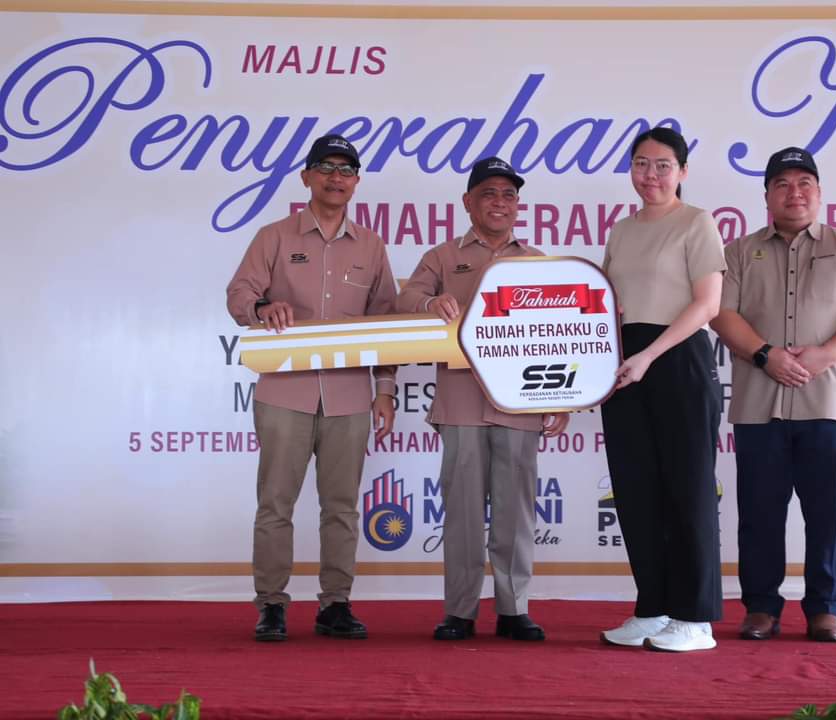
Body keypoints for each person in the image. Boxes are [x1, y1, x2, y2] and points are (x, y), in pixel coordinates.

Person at [710, 146, 836, 643]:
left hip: (828, 401)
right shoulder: (738, 252)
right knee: (759, 514)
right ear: (767, 196)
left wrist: (824, 355)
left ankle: (825, 609)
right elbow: (721, 313)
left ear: (818, 193)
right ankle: (761, 608)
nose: (794, 193)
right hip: (759, 403)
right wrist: (765, 354)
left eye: (804, 184)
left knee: (829, 514)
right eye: (782, 184)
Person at [226, 134, 398, 642]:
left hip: (349, 397)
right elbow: (239, 293)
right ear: (306, 177)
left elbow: (387, 323)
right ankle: (271, 605)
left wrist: (385, 389)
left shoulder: (371, 246)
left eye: (346, 170)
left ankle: (335, 604)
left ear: (356, 182)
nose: (335, 177)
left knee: (341, 507)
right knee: (275, 505)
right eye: (326, 167)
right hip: (285, 393)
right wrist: (261, 308)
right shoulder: (274, 237)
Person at [397, 157, 569, 642]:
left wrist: (561, 397)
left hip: (521, 402)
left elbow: (559, 333)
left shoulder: (536, 261)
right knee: (463, 513)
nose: (500, 202)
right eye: (489, 193)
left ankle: (514, 609)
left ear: (517, 206)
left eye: (509, 195)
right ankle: (460, 611)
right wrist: (429, 302)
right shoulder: (442, 256)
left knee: (516, 513)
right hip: (461, 401)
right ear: (468, 202)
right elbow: (405, 299)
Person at [598, 127, 726, 653]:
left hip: (677, 360)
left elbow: (708, 304)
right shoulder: (622, 231)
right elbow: (604, 303)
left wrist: (650, 355)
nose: (650, 175)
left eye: (662, 165)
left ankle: (695, 618)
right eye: (641, 164)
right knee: (636, 491)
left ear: (683, 171)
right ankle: (652, 608)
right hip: (625, 365)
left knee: (688, 490)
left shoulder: (697, 222)